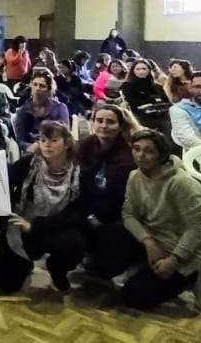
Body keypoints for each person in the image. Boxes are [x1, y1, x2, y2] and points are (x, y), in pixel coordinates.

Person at [120, 130, 201, 312]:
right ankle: (145, 267)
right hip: (155, 241)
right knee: (111, 239)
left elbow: (196, 229)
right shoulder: (135, 177)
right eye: (136, 149)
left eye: (149, 151)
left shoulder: (181, 183)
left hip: (183, 252)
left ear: (161, 155)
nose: (140, 155)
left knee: (133, 296)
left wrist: (173, 260)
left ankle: (194, 277)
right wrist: (148, 242)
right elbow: (128, 214)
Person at [0, 121, 87, 293]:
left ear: (67, 143)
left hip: (59, 226)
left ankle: (57, 268)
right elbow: (2, 191)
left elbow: (78, 213)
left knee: (74, 245)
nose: (46, 145)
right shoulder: (26, 165)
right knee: (6, 283)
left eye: (53, 140)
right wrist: (6, 219)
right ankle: (25, 260)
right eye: (43, 140)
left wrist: (35, 225)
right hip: (22, 222)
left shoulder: (81, 172)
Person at [76, 104, 143, 279]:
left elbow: (123, 197)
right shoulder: (86, 145)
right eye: (99, 120)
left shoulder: (130, 154)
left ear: (121, 126)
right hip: (91, 208)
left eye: (110, 122)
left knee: (104, 269)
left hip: (120, 215)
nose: (104, 126)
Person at [13, 71, 70, 150]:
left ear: (49, 90)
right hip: (32, 150)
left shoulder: (60, 108)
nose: (37, 89)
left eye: (42, 86)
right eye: (35, 85)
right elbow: (20, 141)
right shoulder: (23, 111)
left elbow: (65, 134)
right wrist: (37, 146)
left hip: (55, 149)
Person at [121, 59, 171, 131]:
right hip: (139, 114)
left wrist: (150, 100)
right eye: (138, 69)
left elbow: (165, 100)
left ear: (149, 70)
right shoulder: (128, 85)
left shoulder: (157, 86)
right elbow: (132, 102)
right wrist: (153, 99)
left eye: (144, 69)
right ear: (133, 71)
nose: (141, 71)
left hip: (160, 112)